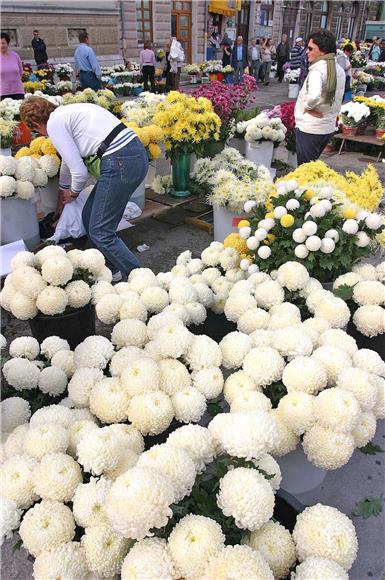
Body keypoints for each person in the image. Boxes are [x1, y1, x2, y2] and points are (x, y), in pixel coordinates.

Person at [20, 97, 148, 280]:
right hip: (134, 156)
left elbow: (78, 171)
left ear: (35, 123)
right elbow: (67, 163)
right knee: (89, 218)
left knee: (101, 230)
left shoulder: (54, 124)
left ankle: (141, 279)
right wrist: (61, 196)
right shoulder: (67, 113)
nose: (41, 135)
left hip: (119, 161)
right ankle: (112, 270)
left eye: (35, 131)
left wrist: (72, 194)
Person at [294, 29, 345, 166]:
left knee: (305, 171)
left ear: (322, 51)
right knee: (311, 167)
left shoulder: (318, 70)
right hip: (326, 128)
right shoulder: (338, 69)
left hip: (310, 128)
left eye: (310, 48)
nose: (306, 51)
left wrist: (307, 107)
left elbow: (314, 96)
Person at [0, 32, 24, 100]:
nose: (1, 45)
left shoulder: (15, 56)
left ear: (7, 43)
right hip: (2, 93)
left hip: (18, 92)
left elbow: (21, 72)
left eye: (3, 43)